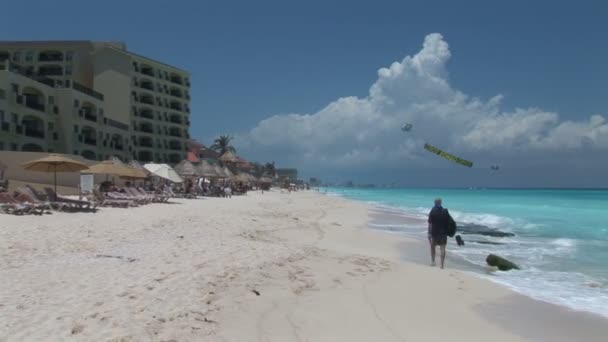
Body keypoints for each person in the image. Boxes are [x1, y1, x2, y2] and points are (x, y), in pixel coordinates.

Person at [427, 198, 450, 269]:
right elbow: (448, 222)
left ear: (435, 203)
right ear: (441, 203)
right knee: (442, 248)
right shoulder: (445, 211)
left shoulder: (432, 211)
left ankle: (433, 262)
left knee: (432, 247)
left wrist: (429, 233)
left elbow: (430, 224)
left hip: (434, 232)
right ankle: (442, 265)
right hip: (443, 233)